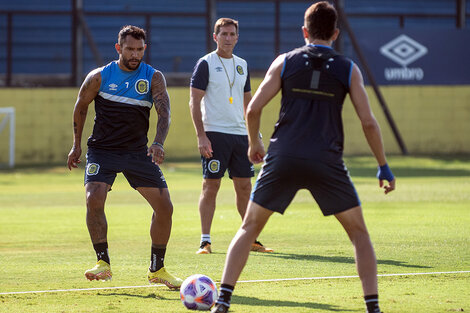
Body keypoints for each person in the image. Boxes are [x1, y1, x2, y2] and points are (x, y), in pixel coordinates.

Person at [211, 2, 395, 313]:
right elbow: (368, 122)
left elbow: (253, 108)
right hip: (327, 160)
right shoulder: (349, 68)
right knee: (359, 233)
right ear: (335, 34)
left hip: (283, 157)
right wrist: (383, 166)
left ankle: (223, 301)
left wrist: (254, 143)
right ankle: (373, 308)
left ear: (304, 31)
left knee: (249, 227)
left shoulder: (284, 62)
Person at [67, 25, 182, 289]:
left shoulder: (153, 77)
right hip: (102, 150)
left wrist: (158, 143)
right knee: (93, 198)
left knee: (165, 208)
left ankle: (158, 269)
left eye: (140, 50)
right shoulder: (99, 77)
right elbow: (80, 107)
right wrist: (76, 146)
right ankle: (102, 263)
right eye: (130, 49)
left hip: (137, 152)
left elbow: (164, 113)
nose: (135, 54)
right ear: (119, 48)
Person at [189, 17, 273, 254]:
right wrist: (201, 136)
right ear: (215, 37)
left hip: (240, 135)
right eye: (223, 34)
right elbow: (194, 101)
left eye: (231, 34)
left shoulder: (242, 65)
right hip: (215, 134)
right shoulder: (205, 63)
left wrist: (254, 135)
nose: (227, 38)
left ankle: (252, 238)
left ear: (237, 37)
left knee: (245, 187)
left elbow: (249, 104)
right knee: (210, 186)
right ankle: (205, 241)